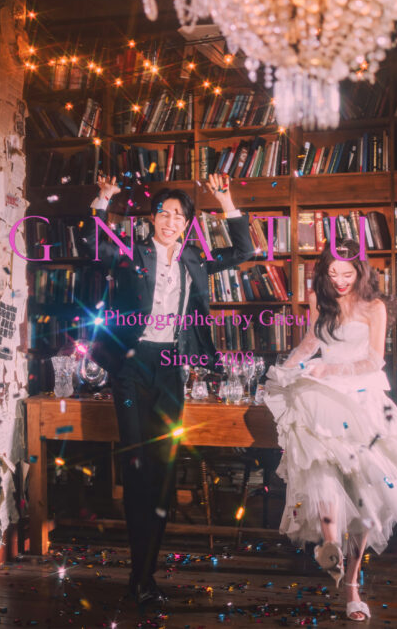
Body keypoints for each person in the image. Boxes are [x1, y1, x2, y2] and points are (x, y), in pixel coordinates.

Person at [79, 172, 254, 610]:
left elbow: (245, 251)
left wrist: (226, 201)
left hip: (172, 367)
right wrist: (103, 198)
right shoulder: (130, 254)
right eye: (163, 213)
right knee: (138, 468)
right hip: (131, 367)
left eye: (178, 215)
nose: (170, 220)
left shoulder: (195, 259)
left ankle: (144, 576)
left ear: (187, 224)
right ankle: (139, 576)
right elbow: (93, 247)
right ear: (152, 218)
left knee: (162, 472)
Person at [263, 239, 397, 622]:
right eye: (332, 273)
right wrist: (283, 370)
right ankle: (330, 545)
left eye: (346, 274)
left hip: (362, 397)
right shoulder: (319, 300)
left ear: (360, 271)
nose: (339, 281)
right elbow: (311, 342)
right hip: (322, 395)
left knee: (369, 490)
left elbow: (374, 360)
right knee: (320, 466)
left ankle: (351, 583)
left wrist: (330, 369)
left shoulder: (374, 306)